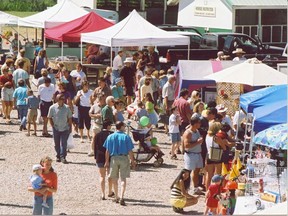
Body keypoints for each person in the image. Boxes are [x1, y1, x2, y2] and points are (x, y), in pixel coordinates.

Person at [103, 121, 136, 206]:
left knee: (114, 179)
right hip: (124, 158)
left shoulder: (110, 137)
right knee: (123, 178)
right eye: (124, 126)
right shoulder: (126, 137)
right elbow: (130, 151)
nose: (125, 128)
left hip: (114, 158)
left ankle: (116, 196)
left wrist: (106, 161)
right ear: (121, 127)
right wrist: (133, 161)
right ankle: (122, 196)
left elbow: (107, 151)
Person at [48, 94, 72, 164]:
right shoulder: (52, 108)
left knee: (64, 144)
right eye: (60, 99)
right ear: (57, 100)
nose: (61, 100)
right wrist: (52, 126)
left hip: (65, 128)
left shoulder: (67, 108)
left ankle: (63, 157)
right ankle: (58, 155)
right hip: (56, 128)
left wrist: (70, 127)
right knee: (56, 143)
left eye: (62, 99)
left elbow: (70, 118)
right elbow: (49, 117)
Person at [183, 116, 204, 195]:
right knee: (187, 173)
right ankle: (184, 189)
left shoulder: (196, 131)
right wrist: (197, 142)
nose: (200, 124)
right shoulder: (188, 133)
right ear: (195, 124)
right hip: (190, 155)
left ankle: (195, 188)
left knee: (197, 172)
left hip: (197, 154)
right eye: (199, 122)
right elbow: (186, 145)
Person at [94, 120, 114, 200]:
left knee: (102, 176)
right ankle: (109, 191)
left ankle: (102, 194)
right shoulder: (111, 134)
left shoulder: (98, 135)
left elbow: (95, 146)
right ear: (108, 126)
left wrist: (95, 157)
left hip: (100, 156)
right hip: (110, 156)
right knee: (110, 175)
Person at [205, 122, 227, 189]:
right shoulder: (217, 138)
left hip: (209, 155)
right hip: (217, 156)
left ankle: (208, 190)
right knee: (218, 175)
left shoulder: (207, 136)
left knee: (209, 175)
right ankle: (217, 190)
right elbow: (224, 148)